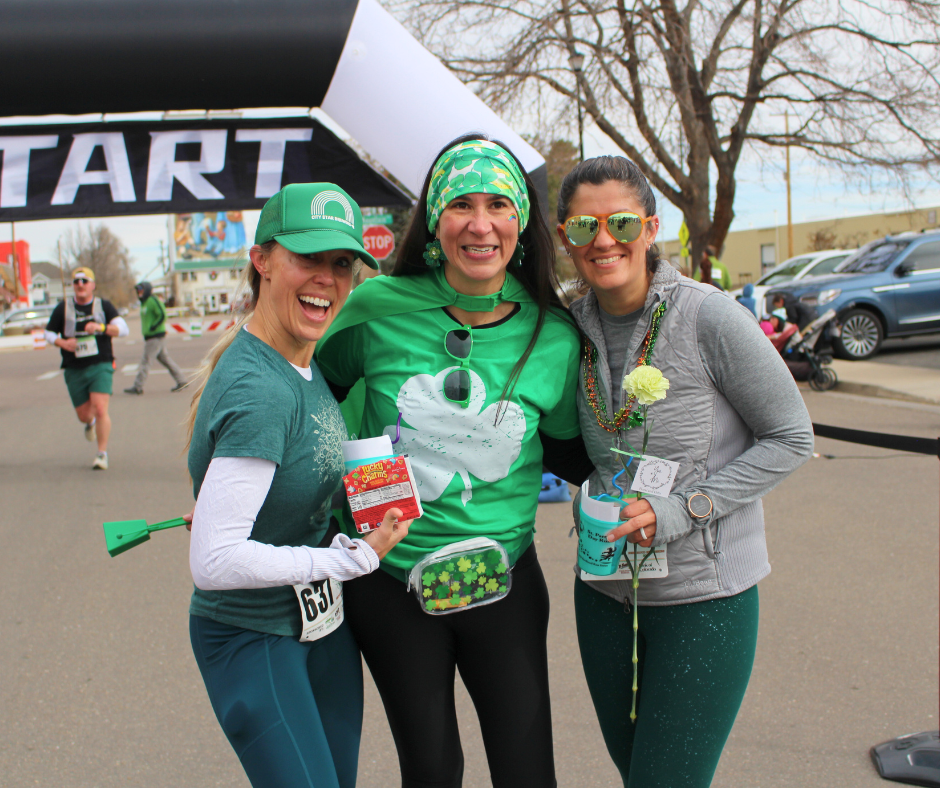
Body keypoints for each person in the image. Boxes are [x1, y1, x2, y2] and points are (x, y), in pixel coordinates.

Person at [316, 135, 591, 788]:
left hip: (505, 583)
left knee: (528, 775)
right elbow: (309, 403)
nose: (480, 223)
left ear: (520, 223)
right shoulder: (375, 310)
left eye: (498, 205)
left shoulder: (552, 334)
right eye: (461, 205)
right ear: (435, 223)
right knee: (432, 772)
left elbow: (578, 452)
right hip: (391, 584)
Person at [556, 156, 814, 788]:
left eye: (621, 222)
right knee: (638, 773)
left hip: (704, 600)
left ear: (651, 228)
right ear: (566, 238)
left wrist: (682, 510)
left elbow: (791, 437)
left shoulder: (708, 316)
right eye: (585, 226)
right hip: (603, 592)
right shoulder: (567, 325)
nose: (604, 240)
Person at [185, 182, 413, 788]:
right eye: (307, 258)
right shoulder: (260, 387)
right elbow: (214, 560)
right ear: (261, 260)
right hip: (255, 634)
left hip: (321, 627)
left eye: (341, 264)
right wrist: (349, 559)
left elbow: (281, 482)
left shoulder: (300, 361)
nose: (325, 279)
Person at [44, 266, 130, 470]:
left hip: (101, 364)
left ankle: (102, 454)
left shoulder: (104, 306)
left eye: (84, 281)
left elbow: (123, 329)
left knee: (100, 408)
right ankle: (89, 423)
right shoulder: (63, 308)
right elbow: (48, 333)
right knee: (84, 415)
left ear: (93, 285)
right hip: (74, 367)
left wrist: (101, 327)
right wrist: (62, 343)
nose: (80, 285)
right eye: (76, 281)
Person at [124, 281, 188, 395]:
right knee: (166, 360)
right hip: (150, 337)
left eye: (141, 290)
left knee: (146, 361)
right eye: (138, 291)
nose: (139, 292)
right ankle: (181, 380)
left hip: (155, 337)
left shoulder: (152, 300)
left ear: (147, 290)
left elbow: (162, 314)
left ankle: (138, 386)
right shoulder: (144, 303)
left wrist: (154, 326)